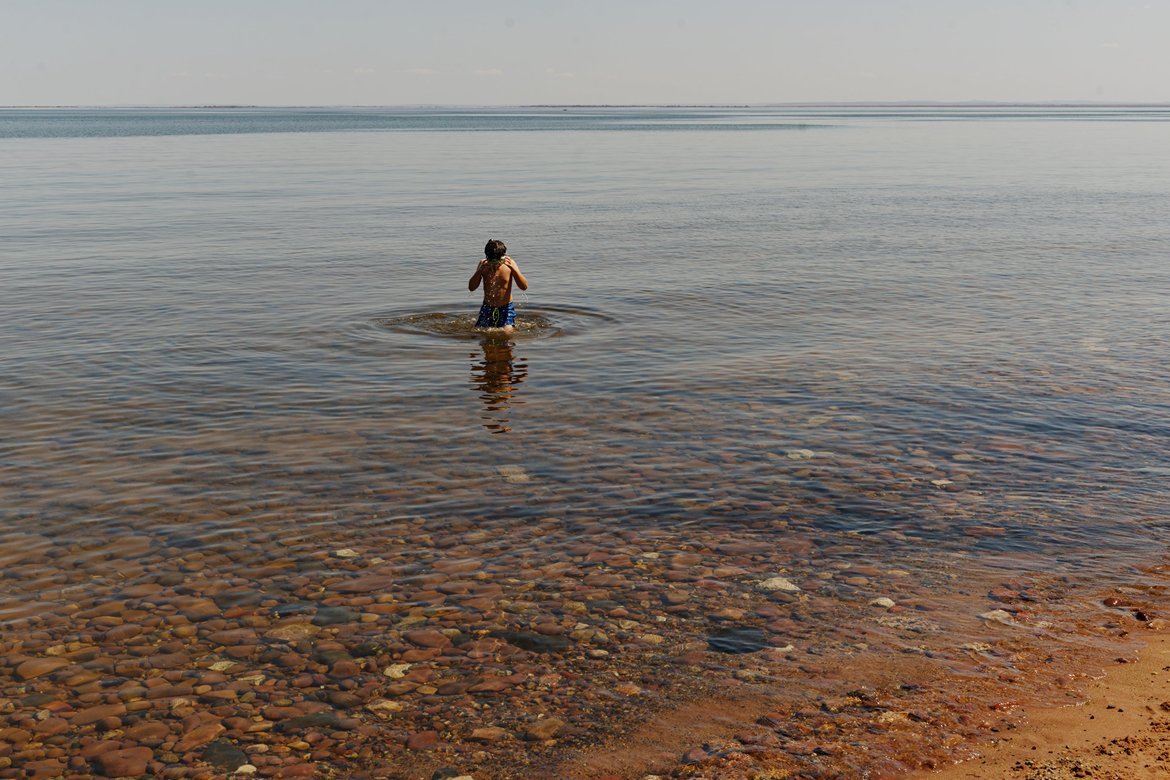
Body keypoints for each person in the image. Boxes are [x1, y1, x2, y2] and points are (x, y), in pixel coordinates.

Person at [469, 239, 528, 333]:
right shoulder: (483, 264)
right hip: (487, 306)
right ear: (487, 257)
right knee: (478, 332)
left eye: (498, 262)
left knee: (507, 332)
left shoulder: (510, 264)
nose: (495, 265)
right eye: (492, 262)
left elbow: (524, 287)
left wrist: (514, 270)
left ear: (503, 257)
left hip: (506, 307)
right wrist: (479, 272)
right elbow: (471, 288)